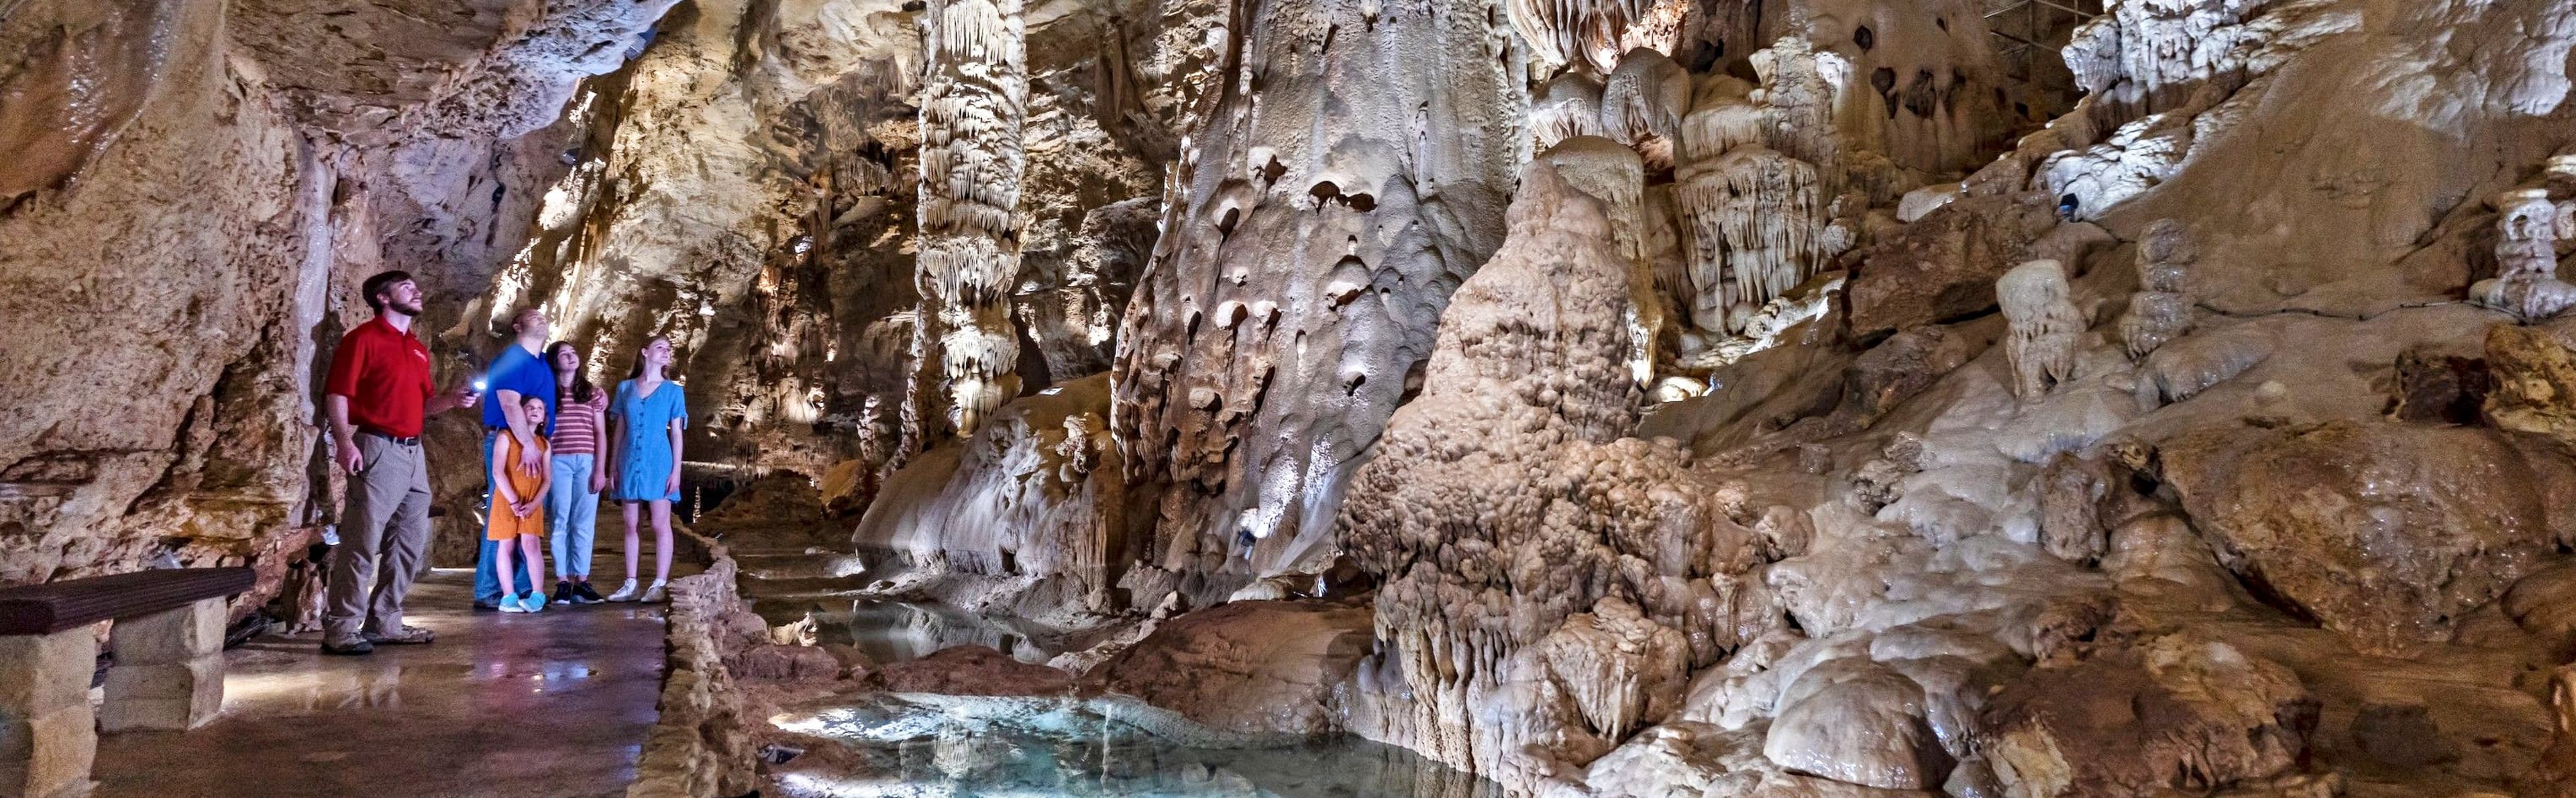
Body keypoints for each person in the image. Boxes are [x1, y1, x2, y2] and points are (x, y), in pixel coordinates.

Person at [320, 270, 479, 656]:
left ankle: (385, 620)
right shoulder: (363, 339)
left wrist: (453, 402)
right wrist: (344, 441)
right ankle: (341, 626)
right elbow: (337, 393)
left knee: (408, 540)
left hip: (413, 451)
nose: (417, 291)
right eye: (406, 287)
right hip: (377, 446)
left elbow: (423, 406)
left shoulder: (417, 349)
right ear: (383, 298)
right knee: (363, 539)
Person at [475, 308, 557, 610]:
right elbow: (510, 404)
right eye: (533, 316)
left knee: (528, 517)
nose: (542, 318)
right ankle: (490, 589)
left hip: (534, 442)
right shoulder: (512, 359)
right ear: (517, 325)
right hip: (513, 443)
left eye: (543, 316)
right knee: (503, 517)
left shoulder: (542, 363)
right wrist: (528, 445)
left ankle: (524, 588)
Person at [604, 337, 686, 603]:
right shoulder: (626, 388)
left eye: (669, 349)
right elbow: (619, 430)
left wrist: (676, 471)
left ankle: (660, 582)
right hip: (629, 460)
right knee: (631, 524)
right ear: (645, 352)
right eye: (661, 347)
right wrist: (613, 465)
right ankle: (631, 583)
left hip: (659, 461)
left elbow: (676, 434)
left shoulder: (674, 391)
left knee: (661, 523)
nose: (666, 352)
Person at [543, 341, 610, 605]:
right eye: (563, 354)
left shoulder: (591, 393)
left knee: (583, 522)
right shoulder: (548, 392)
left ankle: (581, 580)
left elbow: (600, 433)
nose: (570, 357)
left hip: (587, 461)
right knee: (560, 520)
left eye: (573, 353)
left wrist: (600, 469)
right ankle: (562, 581)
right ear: (554, 362)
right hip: (558, 460)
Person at [488, 395, 553, 613]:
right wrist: (514, 501)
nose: (535, 411)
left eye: (540, 408)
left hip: (531, 501)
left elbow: (547, 479)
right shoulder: (506, 437)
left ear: (545, 417)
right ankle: (508, 596)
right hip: (507, 499)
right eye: (530, 407)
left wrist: (535, 503)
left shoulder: (544, 444)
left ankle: (537, 593)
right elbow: (498, 471)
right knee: (505, 546)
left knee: (531, 546)